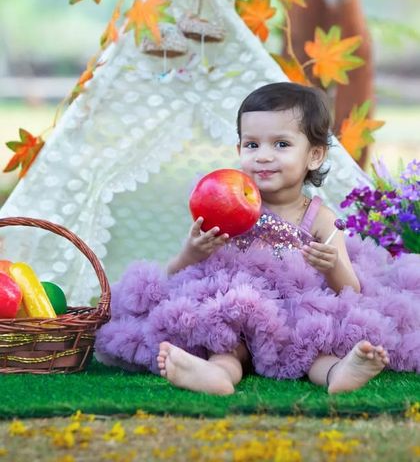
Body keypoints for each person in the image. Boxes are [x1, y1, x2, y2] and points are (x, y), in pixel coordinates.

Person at [95, 82, 418, 395]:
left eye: (281, 144)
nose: (263, 156)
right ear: (239, 150)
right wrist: (192, 253)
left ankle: (339, 372)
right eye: (252, 145)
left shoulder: (320, 217)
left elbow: (351, 288)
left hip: (295, 311)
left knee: (312, 346)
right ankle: (217, 374)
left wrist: (332, 265)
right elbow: (177, 272)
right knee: (224, 341)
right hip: (238, 303)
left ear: (315, 156)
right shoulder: (223, 204)